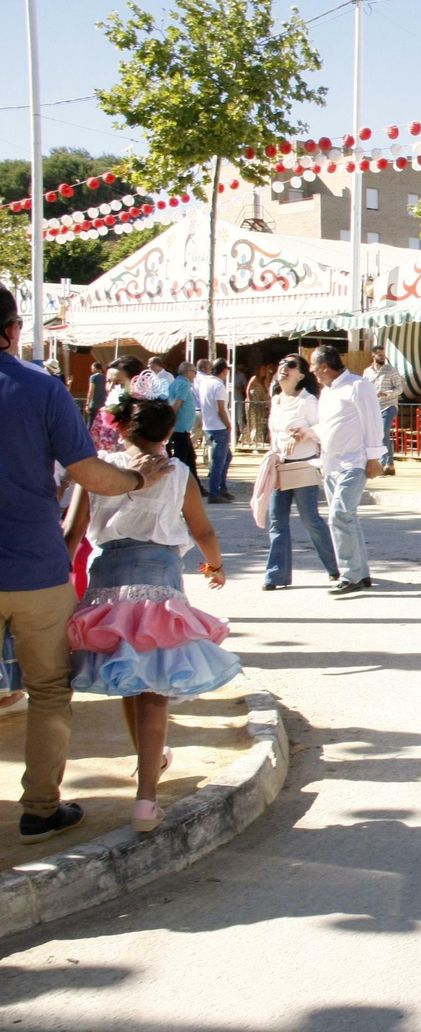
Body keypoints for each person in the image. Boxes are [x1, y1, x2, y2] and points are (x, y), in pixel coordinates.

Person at [0, 284, 173, 843]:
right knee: (49, 689)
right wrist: (135, 478)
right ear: (11, 330)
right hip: (34, 569)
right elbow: (87, 472)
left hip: (34, 563)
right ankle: (41, 808)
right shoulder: (40, 389)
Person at [61, 371, 237, 834]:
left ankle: (150, 763)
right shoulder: (178, 474)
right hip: (160, 584)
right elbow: (202, 531)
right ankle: (145, 799)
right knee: (154, 689)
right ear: (171, 430)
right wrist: (215, 566)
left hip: (106, 582)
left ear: (119, 425)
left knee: (128, 674)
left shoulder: (97, 466)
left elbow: (74, 534)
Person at [297, 345, 384, 594]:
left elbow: (373, 421)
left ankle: (350, 574)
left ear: (325, 366)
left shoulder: (358, 386)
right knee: (348, 518)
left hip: (354, 462)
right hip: (331, 463)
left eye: (313, 366)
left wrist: (374, 457)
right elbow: (328, 426)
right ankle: (360, 572)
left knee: (340, 516)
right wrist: (308, 433)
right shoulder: (327, 392)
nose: (312, 371)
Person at [260, 354, 340, 591]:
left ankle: (336, 566)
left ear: (301, 374)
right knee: (277, 521)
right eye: (281, 363)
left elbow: (323, 429)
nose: (284, 368)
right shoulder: (276, 399)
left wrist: (306, 432)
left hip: (303, 465)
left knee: (310, 519)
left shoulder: (308, 401)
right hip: (280, 466)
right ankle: (275, 575)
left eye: (291, 365)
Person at [194, 357, 233, 502]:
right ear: (224, 371)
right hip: (218, 426)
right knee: (219, 461)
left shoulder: (205, 383)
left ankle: (221, 488)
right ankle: (214, 492)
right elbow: (221, 409)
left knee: (225, 457)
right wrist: (228, 424)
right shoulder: (218, 386)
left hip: (209, 425)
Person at [363, 343, 404, 476]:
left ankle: (387, 463)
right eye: (380, 355)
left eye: (384, 355)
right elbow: (364, 388)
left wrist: (386, 393)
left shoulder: (391, 370)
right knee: (378, 434)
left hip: (389, 405)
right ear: (373, 356)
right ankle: (387, 464)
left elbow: (399, 389)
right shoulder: (367, 372)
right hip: (374, 407)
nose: (383, 357)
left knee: (383, 431)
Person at [92, 357, 144, 452]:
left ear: (135, 383)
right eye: (108, 381)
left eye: (118, 382)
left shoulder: (145, 413)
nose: (111, 387)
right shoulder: (103, 413)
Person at [167, 361, 201, 488]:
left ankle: (196, 486)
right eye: (194, 372)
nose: (195, 375)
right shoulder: (183, 384)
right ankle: (177, 485)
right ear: (187, 372)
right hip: (180, 428)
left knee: (189, 458)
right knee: (181, 459)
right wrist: (170, 422)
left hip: (180, 428)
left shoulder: (175, 383)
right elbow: (177, 403)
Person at [244, 363, 271, 449]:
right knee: (252, 423)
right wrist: (249, 400)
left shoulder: (262, 381)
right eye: (262, 369)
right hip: (252, 404)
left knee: (258, 423)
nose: (264, 371)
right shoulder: (254, 378)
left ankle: (255, 441)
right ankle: (252, 441)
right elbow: (248, 389)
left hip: (259, 405)